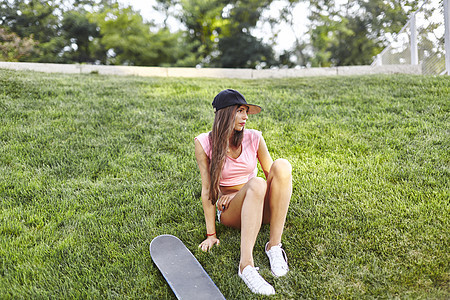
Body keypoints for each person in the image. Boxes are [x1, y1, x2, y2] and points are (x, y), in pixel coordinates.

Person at [194, 89, 292, 295]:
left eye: (246, 111)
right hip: (231, 210)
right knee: (255, 184)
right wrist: (211, 234)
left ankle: (273, 246)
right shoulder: (204, 143)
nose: (245, 117)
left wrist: (248, 190)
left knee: (282, 165)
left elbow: (271, 175)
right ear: (225, 113)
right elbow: (206, 189)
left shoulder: (254, 137)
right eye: (240, 111)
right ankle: (245, 266)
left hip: (258, 203)